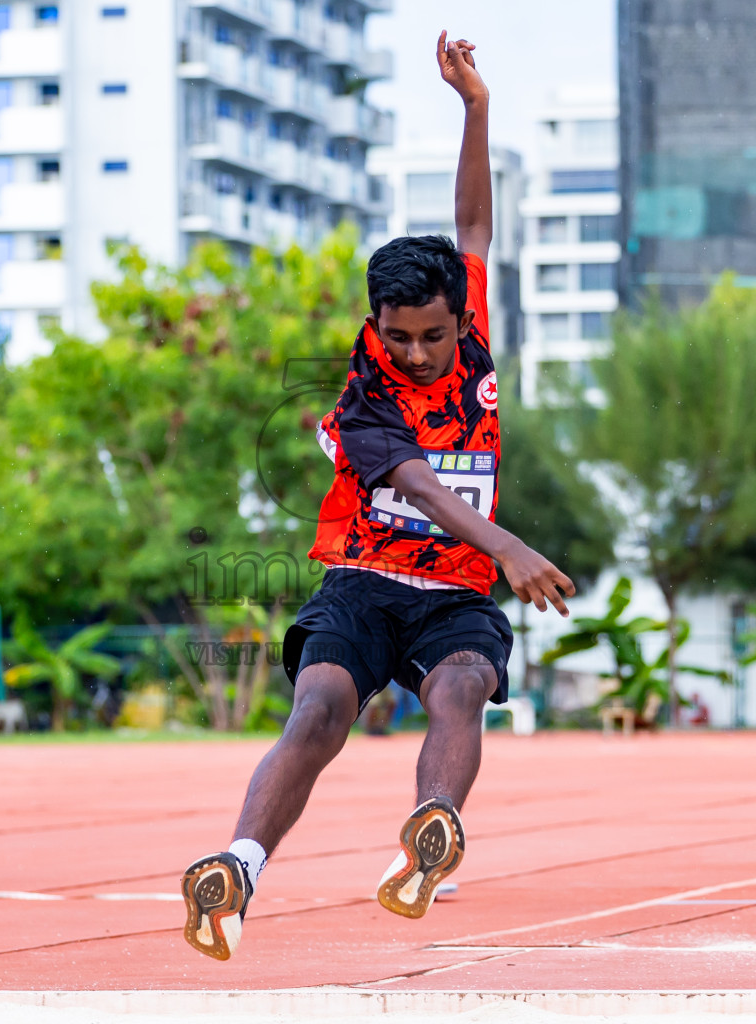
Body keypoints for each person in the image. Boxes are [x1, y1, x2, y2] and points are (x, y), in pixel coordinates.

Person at [181, 33, 575, 961]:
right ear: (376, 324)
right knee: (318, 709)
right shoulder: (364, 404)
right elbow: (427, 492)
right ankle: (236, 870)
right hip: (363, 583)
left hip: (454, 601)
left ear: (457, 316)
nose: (419, 354)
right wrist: (510, 546)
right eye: (399, 336)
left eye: (433, 335)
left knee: (465, 686)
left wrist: (476, 109)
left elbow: (472, 228)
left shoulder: (467, 324)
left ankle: (427, 838)